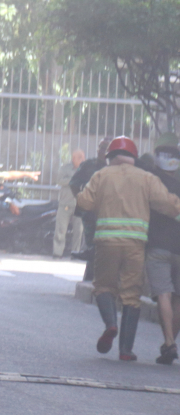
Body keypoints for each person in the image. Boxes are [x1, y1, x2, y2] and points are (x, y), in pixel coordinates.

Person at [76, 136, 180, 361]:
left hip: (106, 242)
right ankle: (125, 350)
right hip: (135, 245)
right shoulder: (146, 178)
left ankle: (111, 324)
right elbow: (169, 205)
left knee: (103, 287)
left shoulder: (101, 175)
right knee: (131, 295)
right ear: (133, 156)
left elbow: (83, 203)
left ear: (110, 156)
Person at [143, 133, 180, 365]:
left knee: (164, 294)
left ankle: (169, 342)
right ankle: (171, 342)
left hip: (157, 246)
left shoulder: (150, 180)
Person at [70, 137, 113, 279]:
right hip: (90, 212)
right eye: (101, 148)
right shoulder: (88, 165)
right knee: (92, 245)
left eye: (106, 148)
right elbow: (74, 183)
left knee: (105, 246)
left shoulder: (115, 168)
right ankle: (90, 278)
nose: (102, 151)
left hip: (110, 213)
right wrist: (81, 199)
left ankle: (97, 277)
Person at [53, 149, 85, 259]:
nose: (82, 159)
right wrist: (74, 178)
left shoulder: (86, 169)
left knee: (79, 231)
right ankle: (57, 253)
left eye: (83, 157)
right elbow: (59, 180)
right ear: (73, 158)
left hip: (80, 204)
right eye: (79, 157)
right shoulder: (65, 168)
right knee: (61, 229)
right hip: (65, 203)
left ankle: (75, 253)